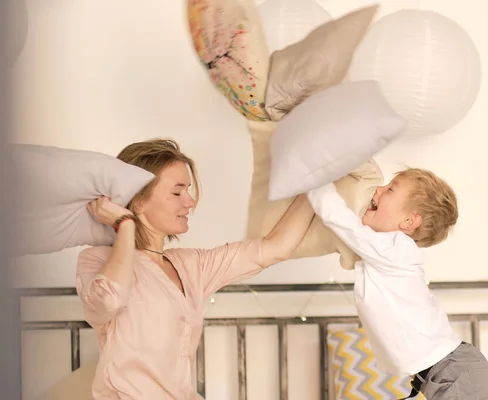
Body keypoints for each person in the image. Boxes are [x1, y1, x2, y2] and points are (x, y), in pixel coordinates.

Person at [76, 139, 315, 399]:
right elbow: (108, 301)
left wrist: (318, 184)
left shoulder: (191, 265)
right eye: (177, 192)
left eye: (188, 190)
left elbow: (274, 248)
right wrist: (125, 224)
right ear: (138, 200)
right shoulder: (97, 260)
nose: (190, 202)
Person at [306, 167, 488, 400]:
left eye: (390, 189)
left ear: (408, 221)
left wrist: (315, 181)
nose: (378, 189)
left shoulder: (396, 249)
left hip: (454, 371)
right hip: (443, 373)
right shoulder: (386, 254)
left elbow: (343, 223)